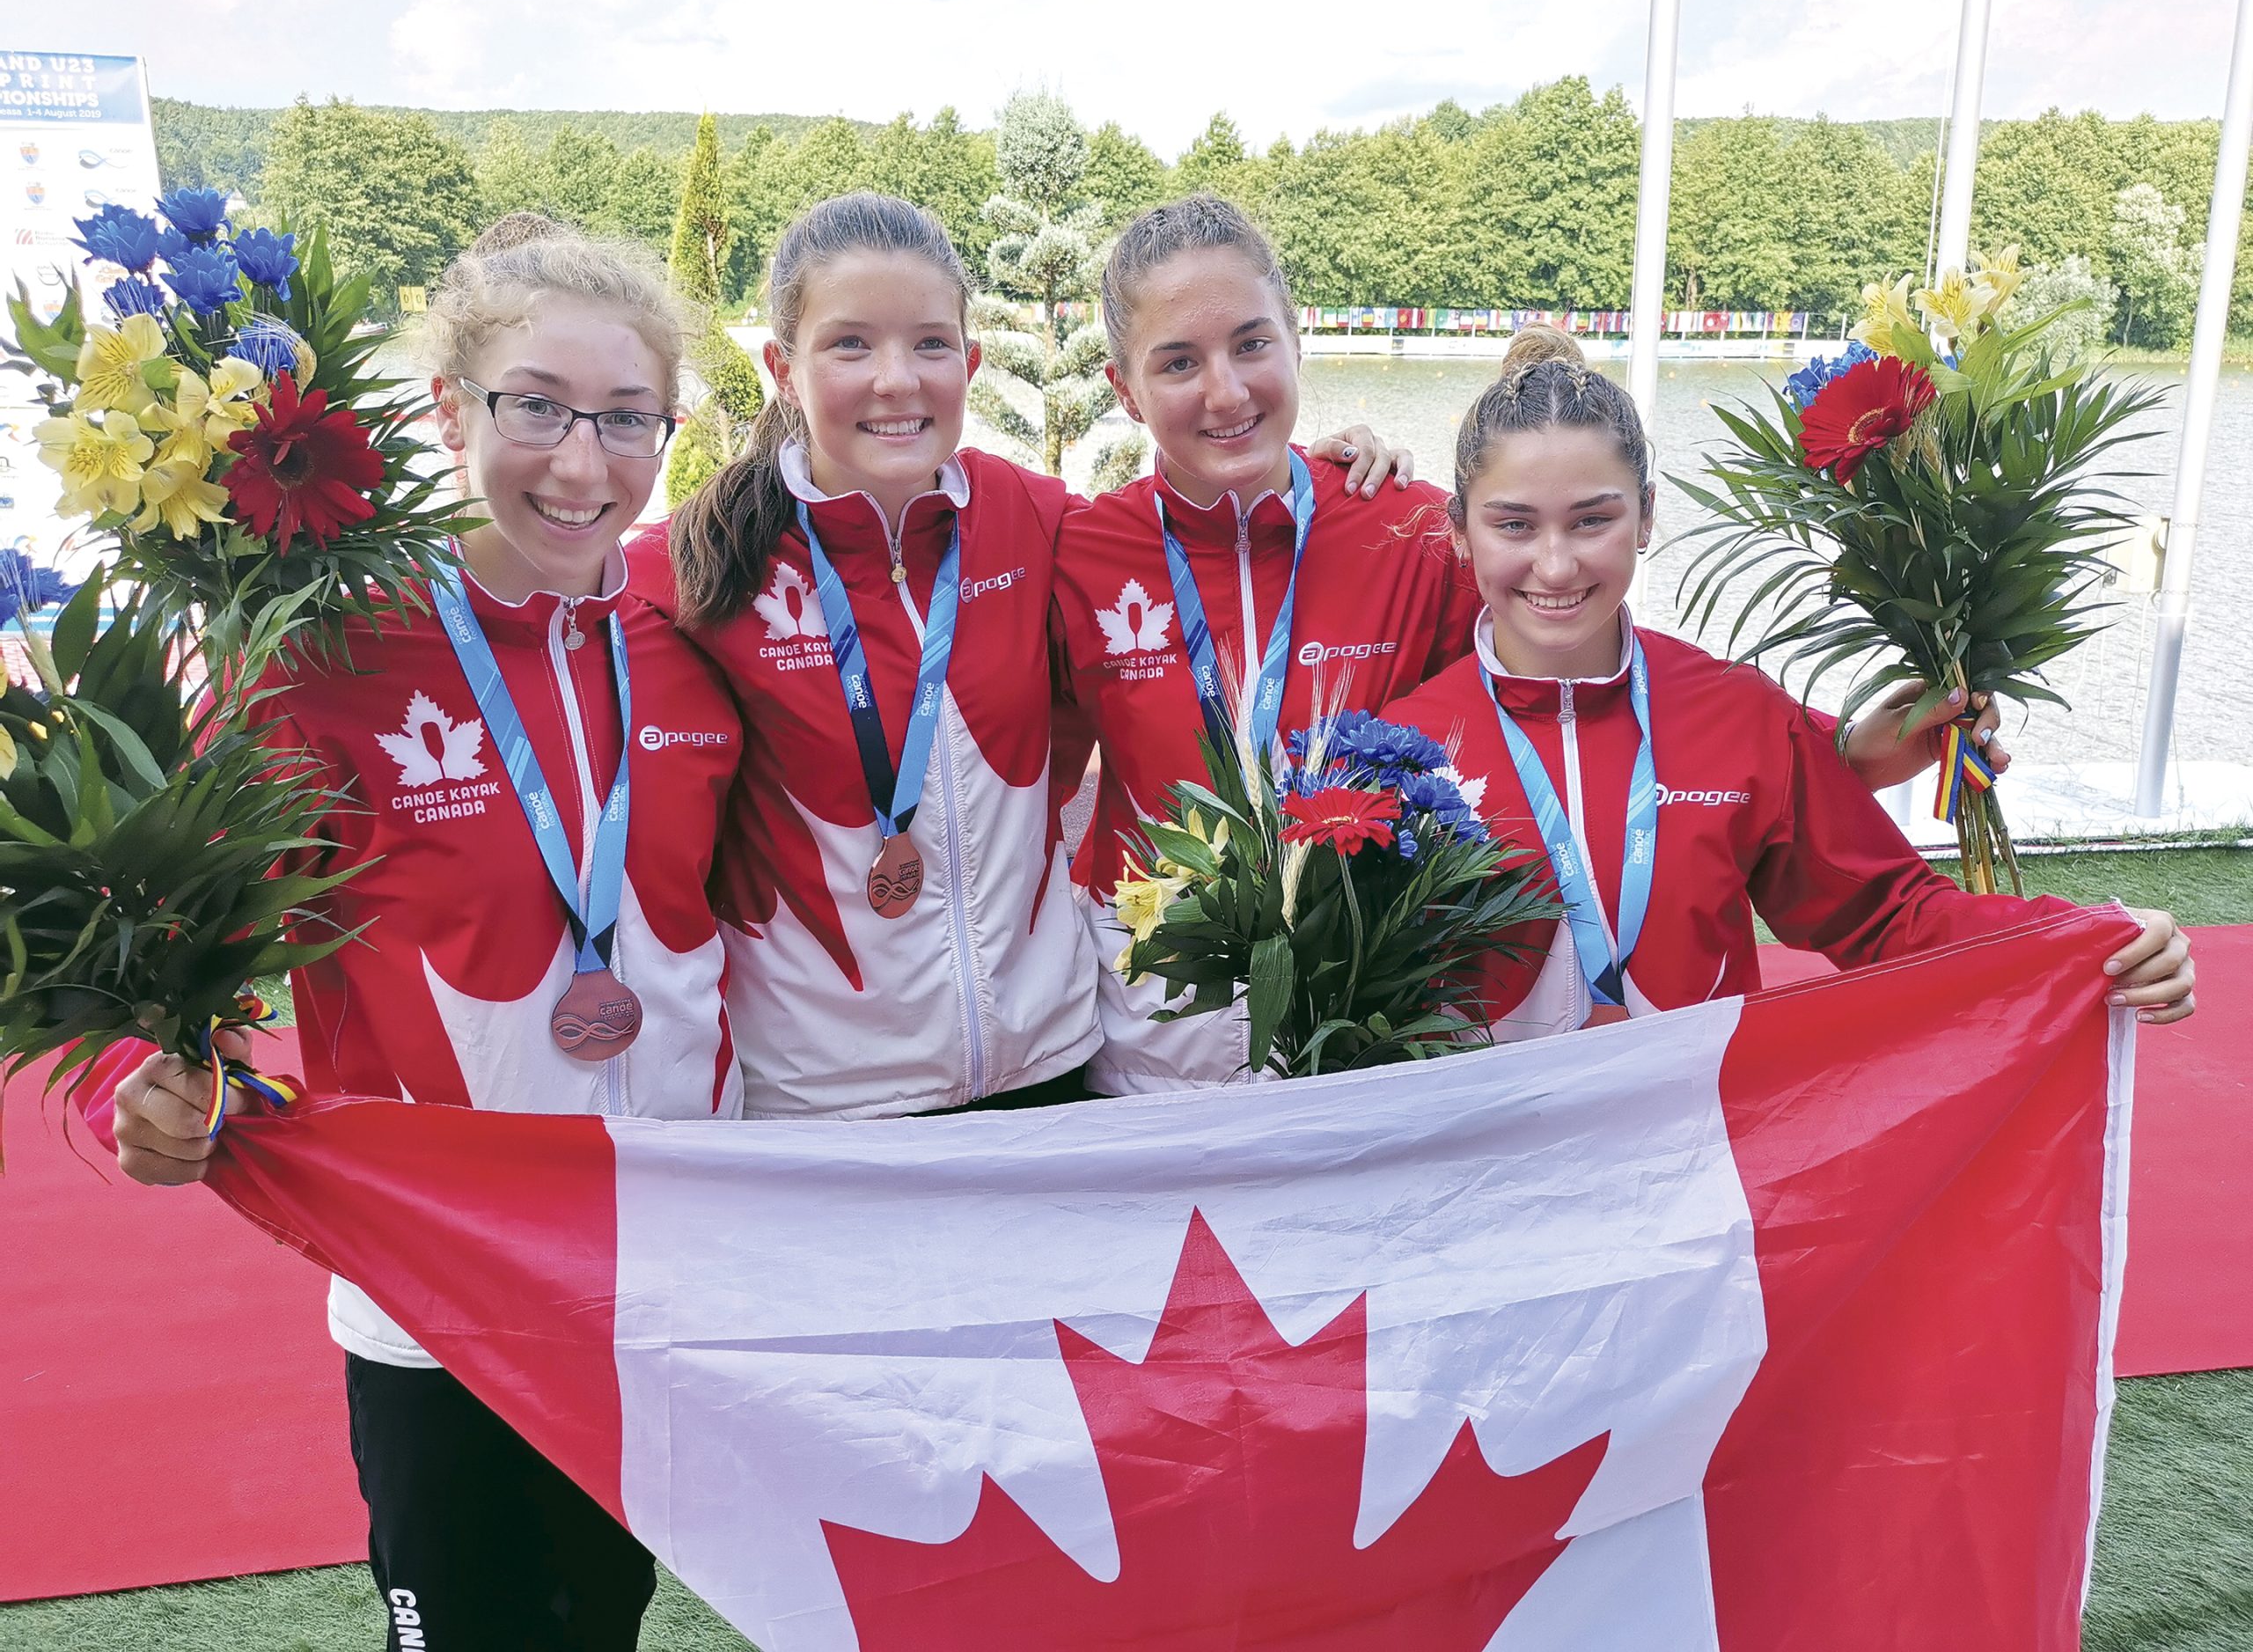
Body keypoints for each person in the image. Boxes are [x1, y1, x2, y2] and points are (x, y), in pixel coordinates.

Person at [99, 216, 742, 1650]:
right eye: (537, 409)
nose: (583, 464)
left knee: (602, 1621)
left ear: (669, 431)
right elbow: (150, 924)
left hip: (661, 1285)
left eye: (627, 418)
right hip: (435, 1309)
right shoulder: (326, 657)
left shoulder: (701, 639)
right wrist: (135, 1091)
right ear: (451, 411)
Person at [1049, 197, 2014, 1095]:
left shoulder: (1407, 528)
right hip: (1158, 1020)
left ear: (1295, 335)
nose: (1224, 390)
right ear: (1124, 390)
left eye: (1250, 343)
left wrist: (1838, 745)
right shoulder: (1078, 549)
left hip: (1366, 1030)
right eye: (1177, 361)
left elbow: (1596, 661)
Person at [630, 192, 1405, 1119]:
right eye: (849, 345)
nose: (895, 380)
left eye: (928, 343)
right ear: (782, 370)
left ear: (971, 361)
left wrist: (1324, 470)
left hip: (1051, 1066)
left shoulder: (1032, 523)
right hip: (821, 1097)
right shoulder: (691, 566)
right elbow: (532, 594)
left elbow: (1197, 526)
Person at [1376, 324, 2196, 1037]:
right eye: (1514, 524)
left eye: (1594, 519)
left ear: (1648, 515)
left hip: (1701, 1166)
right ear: (1458, 531)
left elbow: (1891, 913)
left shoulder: (1741, 713)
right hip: (1481, 1181)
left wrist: (2093, 937)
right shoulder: (1397, 752)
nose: (1555, 563)